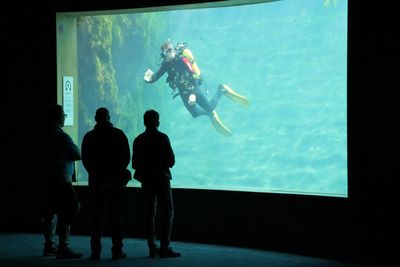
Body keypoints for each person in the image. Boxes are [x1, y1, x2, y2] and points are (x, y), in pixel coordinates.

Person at [143, 41, 250, 136]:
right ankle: (209, 113)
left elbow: (194, 76)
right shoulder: (166, 64)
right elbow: (157, 76)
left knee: (211, 107)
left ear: (172, 50)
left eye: (166, 53)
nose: (165, 57)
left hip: (193, 88)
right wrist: (149, 79)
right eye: (163, 54)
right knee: (194, 114)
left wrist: (193, 94)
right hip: (183, 92)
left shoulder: (182, 60)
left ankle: (221, 90)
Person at [81, 107, 131, 260]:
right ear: (109, 118)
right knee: (115, 216)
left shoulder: (89, 137)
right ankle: (117, 250)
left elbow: (86, 160)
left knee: (96, 217)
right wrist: (115, 175)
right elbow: (126, 158)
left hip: (96, 182)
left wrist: (96, 174)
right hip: (115, 183)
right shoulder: (119, 134)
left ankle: (95, 251)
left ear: (96, 119)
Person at [131, 110, 181, 258]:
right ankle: (165, 246)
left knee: (149, 214)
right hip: (162, 179)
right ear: (157, 122)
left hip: (146, 180)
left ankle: (152, 246)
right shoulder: (163, 138)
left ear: (144, 122)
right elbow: (171, 161)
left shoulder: (138, 140)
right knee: (168, 212)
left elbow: (134, 164)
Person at [39, 104, 83, 259]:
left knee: (50, 213)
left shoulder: (42, 135)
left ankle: (49, 245)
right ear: (58, 117)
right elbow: (77, 154)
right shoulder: (61, 136)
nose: (65, 117)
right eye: (63, 115)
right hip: (62, 181)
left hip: (46, 180)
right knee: (70, 209)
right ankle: (64, 246)